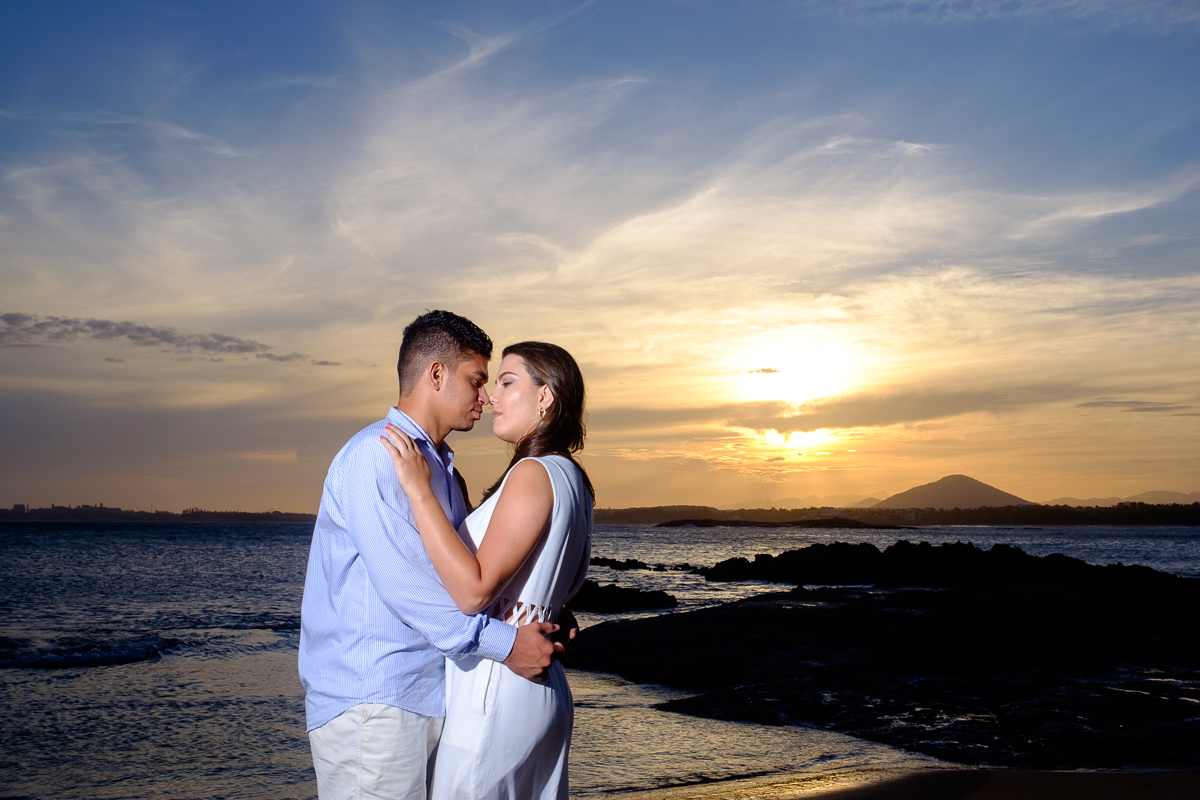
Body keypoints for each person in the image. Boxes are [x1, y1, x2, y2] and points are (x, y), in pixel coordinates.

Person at [299, 311, 566, 800]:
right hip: (374, 702)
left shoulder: (439, 469)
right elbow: (409, 589)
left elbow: (461, 575)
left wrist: (538, 613)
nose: (485, 397)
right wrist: (507, 644)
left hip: (429, 695)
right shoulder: (377, 455)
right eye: (476, 381)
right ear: (437, 374)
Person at [380, 340, 594, 800]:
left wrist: (420, 491)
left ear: (545, 395)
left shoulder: (533, 473)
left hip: (497, 687)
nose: (493, 396)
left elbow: (474, 592)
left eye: (507, 382)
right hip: (542, 691)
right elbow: (553, 583)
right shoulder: (575, 479)